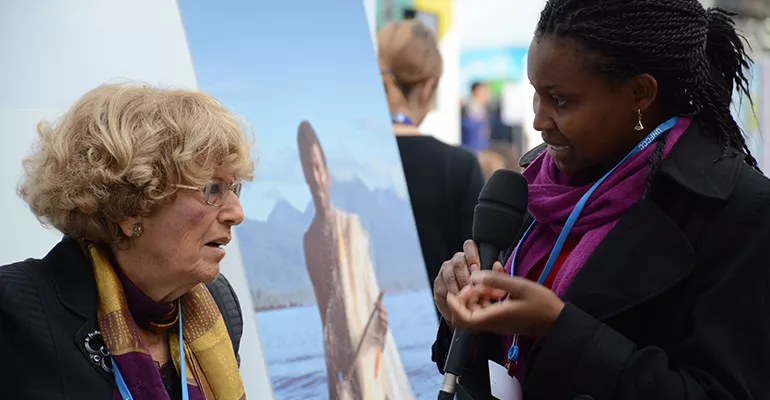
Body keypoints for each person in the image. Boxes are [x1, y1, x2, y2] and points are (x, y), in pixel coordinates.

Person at [431, 1, 770, 399]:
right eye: (536, 93)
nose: (538, 119)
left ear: (639, 93)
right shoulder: (536, 188)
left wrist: (561, 329)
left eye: (560, 100)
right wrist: (465, 322)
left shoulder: (738, 210)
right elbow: (502, 366)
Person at [0, 83, 251, 400]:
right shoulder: (15, 310)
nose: (236, 213)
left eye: (234, 188)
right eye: (213, 189)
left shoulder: (219, 302)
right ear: (131, 207)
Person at [297, 121, 414, 400]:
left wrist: (379, 323)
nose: (314, 176)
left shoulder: (352, 226)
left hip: (369, 344)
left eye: (317, 167)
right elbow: (324, 312)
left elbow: (369, 290)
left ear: (326, 171)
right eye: (307, 168)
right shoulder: (310, 239)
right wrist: (334, 367)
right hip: (340, 359)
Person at [377, 20, 485, 313]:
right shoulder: (457, 166)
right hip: (436, 344)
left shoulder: (343, 161)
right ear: (429, 87)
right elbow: (475, 271)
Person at [461, 81, 492, 152]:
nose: (487, 95)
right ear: (476, 92)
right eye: (484, 91)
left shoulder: (482, 109)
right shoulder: (470, 109)